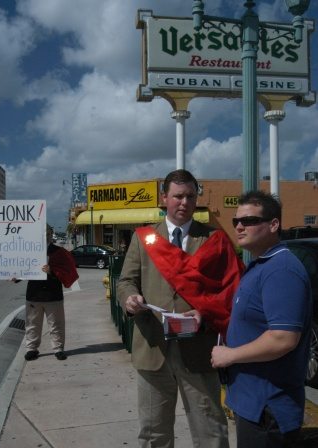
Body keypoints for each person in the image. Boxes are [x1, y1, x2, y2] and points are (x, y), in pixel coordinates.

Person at [117, 169, 243, 448]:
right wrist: (129, 299)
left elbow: (229, 292)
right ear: (164, 198)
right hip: (152, 348)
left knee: (210, 430)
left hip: (198, 348)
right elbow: (126, 281)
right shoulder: (144, 238)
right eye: (177, 196)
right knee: (153, 432)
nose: (184, 202)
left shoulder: (214, 239)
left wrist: (205, 313)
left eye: (190, 196)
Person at [211, 191, 312, 448]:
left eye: (250, 220)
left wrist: (230, 355)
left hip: (268, 409)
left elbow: (283, 338)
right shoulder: (261, 265)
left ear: (274, 224)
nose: (240, 226)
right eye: (236, 221)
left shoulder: (282, 270)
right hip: (252, 404)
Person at [15, 224, 78, 361]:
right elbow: (23, 268)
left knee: (56, 324)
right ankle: (32, 349)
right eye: (42, 233)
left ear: (51, 235)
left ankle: (58, 348)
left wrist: (51, 271)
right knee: (32, 324)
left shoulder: (59, 252)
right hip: (34, 294)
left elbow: (67, 272)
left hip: (53, 294)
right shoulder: (28, 250)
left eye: (47, 233)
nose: (45, 236)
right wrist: (16, 277)